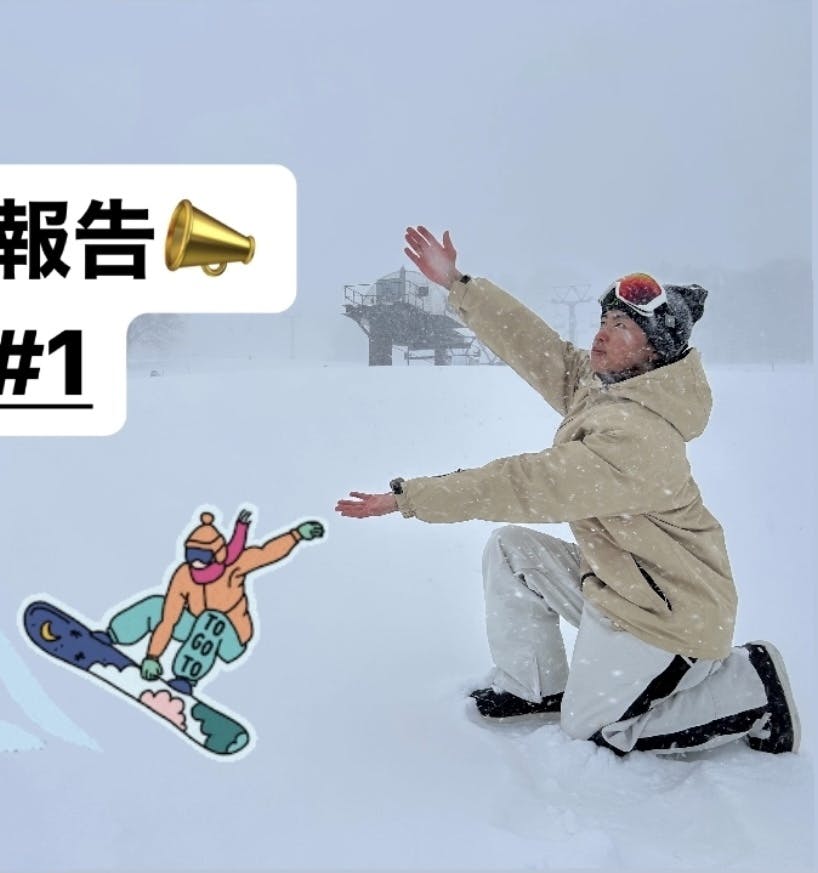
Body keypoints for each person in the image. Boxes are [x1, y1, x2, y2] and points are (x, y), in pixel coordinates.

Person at [334, 225, 799, 756]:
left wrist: (410, 498)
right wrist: (458, 284)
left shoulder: (639, 436)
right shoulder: (606, 387)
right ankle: (535, 688)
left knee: (597, 729)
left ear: (653, 350)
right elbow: (537, 347)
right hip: (623, 585)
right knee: (512, 551)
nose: (602, 334)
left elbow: (526, 484)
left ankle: (750, 685)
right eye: (604, 321)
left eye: (622, 327)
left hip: (669, 615)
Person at [103, 509, 325, 693]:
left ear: (218, 554)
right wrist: (152, 656)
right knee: (157, 606)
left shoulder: (234, 566)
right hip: (195, 627)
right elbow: (169, 619)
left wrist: (296, 535)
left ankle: (186, 677)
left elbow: (267, 553)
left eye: (203, 557)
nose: (197, 563)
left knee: (211, 620)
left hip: (230, 637)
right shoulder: (184, 575)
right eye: (192, 556)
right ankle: (115, 635)